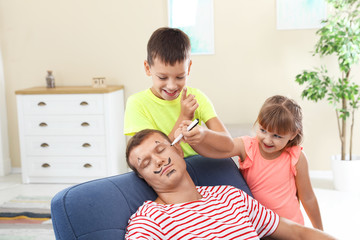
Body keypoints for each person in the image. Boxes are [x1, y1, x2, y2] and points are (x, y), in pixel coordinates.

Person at [124, 129, 335, 239]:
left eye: (160, 150)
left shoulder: (230, 196)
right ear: (143, 176)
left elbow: (297, 233)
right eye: (146, 162)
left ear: (178, 150)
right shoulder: (149, 220)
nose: (159, 161)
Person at [177, 95, 323, 230]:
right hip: (259, 228)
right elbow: (216, 152)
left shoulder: (296, 156)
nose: (267, 139)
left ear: (293, 134)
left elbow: (308, 197)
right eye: (263, 130)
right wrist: (194, 140)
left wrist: (319, 232)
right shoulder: (247, 146)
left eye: (277, 136)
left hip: (292, 227)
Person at [123, 27, 233, 158]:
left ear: (189, 68)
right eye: (162, 77)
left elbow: (229, 145)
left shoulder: (196, 98)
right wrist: (184, 117)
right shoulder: (137, 103)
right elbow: (155, 157)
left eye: (180, 77)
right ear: (148, 68)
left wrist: (204, 134)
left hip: (198, 165)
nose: (171, 86)